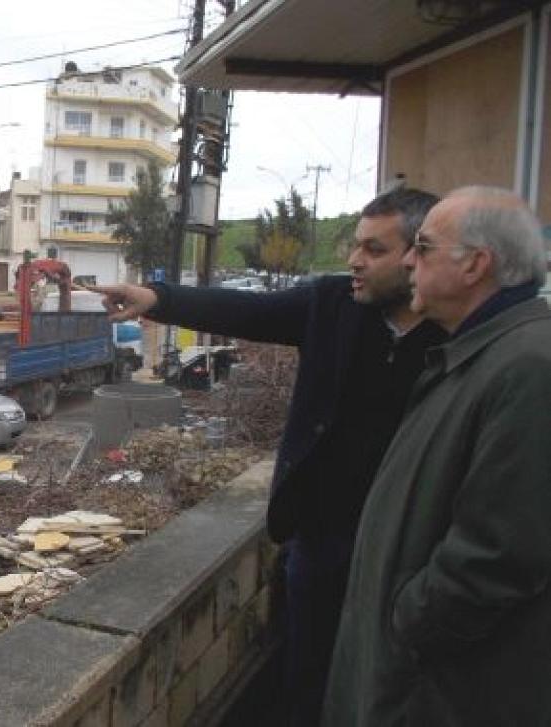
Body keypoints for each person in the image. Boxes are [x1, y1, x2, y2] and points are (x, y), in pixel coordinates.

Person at [95, 187, 444, 726]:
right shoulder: (331, 305)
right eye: (355, 245)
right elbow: (247, 311)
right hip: (322, 541)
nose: (354, 260)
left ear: (418, 253)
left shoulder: (457, 335)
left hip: (408, 554)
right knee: (307, 682)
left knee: (392, 691)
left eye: (374, 250)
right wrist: (157, 298)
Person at [323, 187, 551, 726]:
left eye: (422, 248)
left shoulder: (528, 369)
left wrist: (406, 627)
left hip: (442, 689)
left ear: (476, 264)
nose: (408, 261)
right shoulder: (479, 354)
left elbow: (497, 555)